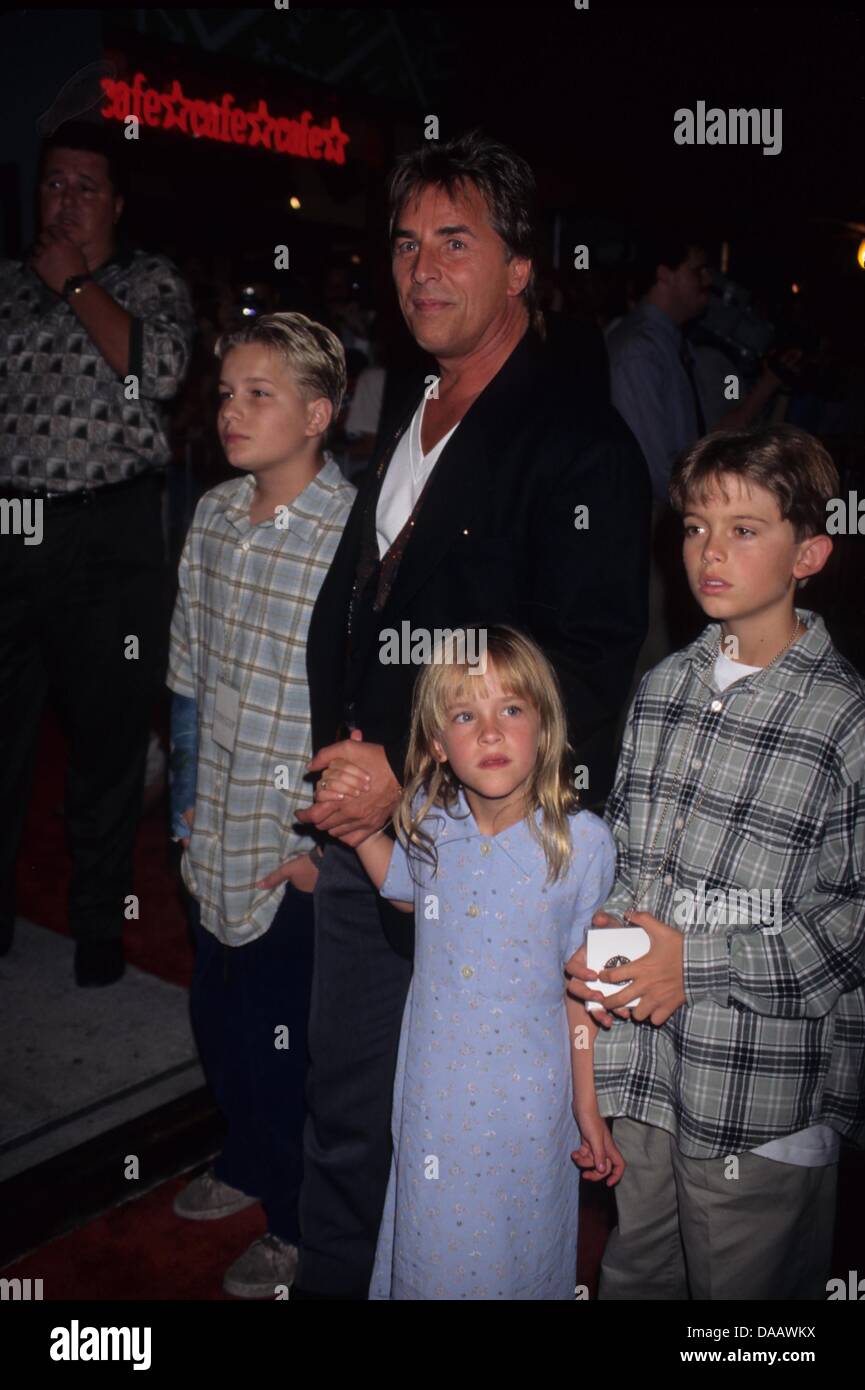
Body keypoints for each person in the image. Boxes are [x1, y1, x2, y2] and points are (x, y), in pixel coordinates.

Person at [266, 129, 651, 1300]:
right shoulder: (413, 405)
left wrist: (416, 774)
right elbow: (369, 608)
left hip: (481, 855)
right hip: (369, 829)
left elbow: (587, 669)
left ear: (521, 265)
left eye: (453, 242)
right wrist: (345, 791)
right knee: (349, 1097)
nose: (420, 269)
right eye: (403, 244)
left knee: (455, 1124)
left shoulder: (578, 442)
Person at [567, 424, 865, 1300]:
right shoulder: (662, 689)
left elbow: (852, 924)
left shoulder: (844, 721)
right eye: (695, 527)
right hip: (645, 1074)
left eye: (743, 529)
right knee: (636, 1269)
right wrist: (594, 993)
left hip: (758, 1095)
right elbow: (629, 867)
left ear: (808, 553)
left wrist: (694, 965)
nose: (709, 550)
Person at [318, 626, 621, 1299]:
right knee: (431, 1244)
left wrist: (588, 1108)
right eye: (464, 716)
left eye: (510, 709)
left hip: (527, 1100)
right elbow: (407, 889)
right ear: (436, 744)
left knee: (514, 1251)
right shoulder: (429, 820)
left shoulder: (582, 845)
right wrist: (360, 831)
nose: (489, 733)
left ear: (544, 726)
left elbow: (584, 990)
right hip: (433, 1092)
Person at [166, 313, 355, 1297]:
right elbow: (188, 672)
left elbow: (373, 711)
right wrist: (185, 800)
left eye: (258, 394)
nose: (230, 411)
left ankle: (295, 1222)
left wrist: (335, 849)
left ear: (317, 415)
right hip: (218, 820)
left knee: (292, 1040)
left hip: (298, 838)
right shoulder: (210, 516)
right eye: (225, 393)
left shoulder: (354, 536)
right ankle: (245, 1156)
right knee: (219, 1012)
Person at [0, 119, 193, 984]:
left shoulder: (149, 281)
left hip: (110, 532)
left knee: (108, 742)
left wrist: (75, 283)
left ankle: (99, 923)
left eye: (86, 187)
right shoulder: (6, 287)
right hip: (13, 523)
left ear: (116, 202)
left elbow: (159, 373)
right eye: (54, 184)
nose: (67, 201)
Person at [608, 231, 792, 671]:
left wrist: (769, 385)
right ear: (664, 275)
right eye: (696, 270)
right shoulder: (638, 350)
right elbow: (656, 469)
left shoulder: (675, 346)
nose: (707, 281)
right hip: (646, 527)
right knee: (654, 655)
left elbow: (702, 442)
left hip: (674, 521)